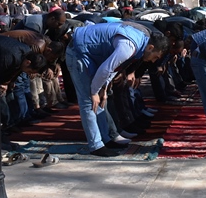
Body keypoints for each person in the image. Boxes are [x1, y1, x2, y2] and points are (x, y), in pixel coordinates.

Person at [65, 22, 169, 157]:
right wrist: (94, 91)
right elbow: (107, 68)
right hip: (78, 52)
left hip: (92, 55)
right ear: (150, 47)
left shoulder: (139, 44)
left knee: (101, 101)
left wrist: (104, 87)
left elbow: (115, 67)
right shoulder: (129, 47)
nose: (153, 61)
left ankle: (106, 139)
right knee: (88, 101)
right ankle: (95, 145)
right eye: (155, 57)